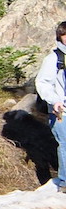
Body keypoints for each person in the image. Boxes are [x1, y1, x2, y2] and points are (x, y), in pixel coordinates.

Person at [34, 20, 66, 191]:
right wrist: (54, 100)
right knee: (65, 144)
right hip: (61, 110)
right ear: (60, 37)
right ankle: (64, 182)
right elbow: (43, 83)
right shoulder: (54, 58)